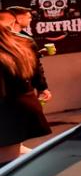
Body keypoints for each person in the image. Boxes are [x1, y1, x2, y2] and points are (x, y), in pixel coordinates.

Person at [0, 18, 51, 163]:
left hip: (8, 113)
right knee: (14, 156)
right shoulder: (16, 49)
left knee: (8, 163)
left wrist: (42, 88)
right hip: (18, 108)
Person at [3, 7, 50, 105]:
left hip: (24, 91)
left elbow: (34, 66)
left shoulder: (26, 39)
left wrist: (42, 87)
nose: (31, 19)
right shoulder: (25, 41)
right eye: (28, 17)